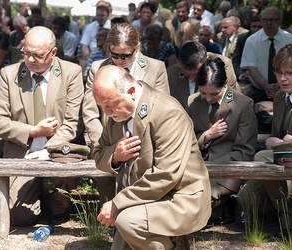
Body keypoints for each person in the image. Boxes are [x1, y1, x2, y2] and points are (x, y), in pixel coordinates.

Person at [93, 65, 211, 249]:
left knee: (128, 222)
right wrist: (115, 155)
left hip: (178, 198)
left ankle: (175, 244)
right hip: (139, 200)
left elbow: (166, 174)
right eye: (101, 107)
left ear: (131, 92)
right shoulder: (115, 115)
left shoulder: (167, 112)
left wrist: (118, 203)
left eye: (110, 104)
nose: (106, 113)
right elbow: (99, 156)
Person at [0, 26, 85, 226]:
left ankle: (56, 201)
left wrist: (49, 150)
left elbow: (74, 123)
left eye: (38, 55)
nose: (30, 59)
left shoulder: (71, 73)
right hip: (23, 150)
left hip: (60, 151)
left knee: (60, 212)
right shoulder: (9, 74)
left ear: (53, 52)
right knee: (20, 216)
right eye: (26, 52)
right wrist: (32, 131)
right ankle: (36, 195)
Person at [83, 23, 170, 205]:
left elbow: (163, 111)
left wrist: (137, 144)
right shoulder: (97, 68)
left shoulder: (156, 68)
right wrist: (107, 146)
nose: (120, 60)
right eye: (114, 55)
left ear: (137, 47)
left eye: (126, 55)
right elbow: (90, 112)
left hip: (143, 145)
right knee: (107, 204)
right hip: (107, 145)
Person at [237, 43, 292, 235]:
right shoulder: (279, 97)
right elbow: (275, 137)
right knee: (245, 200)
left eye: (290, 73)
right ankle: (285, 209)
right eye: (279, 73)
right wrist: (273, 141)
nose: (283, 78)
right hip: (284, 166)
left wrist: (285, 144)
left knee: (261, 157)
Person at [187, 58, 257, 225]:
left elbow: (245, 151)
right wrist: (206, 136)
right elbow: (186, 141)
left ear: (225, 84)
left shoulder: (243, 105)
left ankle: (216, 212)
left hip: (227, 169)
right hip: (196, 165)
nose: (208, 98)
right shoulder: (193, 102)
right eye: (203, 93)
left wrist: (213, 168)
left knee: (200, 196)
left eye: (214, 93)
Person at [241, 6, 292, 105]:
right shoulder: (252, 40)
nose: (268, 23)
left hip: (287, 90)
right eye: (265, 20)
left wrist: (279, 85)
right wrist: (266, 86)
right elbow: (251, 67)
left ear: (279, 21)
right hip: (259, 91)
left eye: (272, 20)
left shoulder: (290, 39)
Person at [167, 41, 240, 112]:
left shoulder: (223, 66)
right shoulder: (171, 73)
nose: (192, 78)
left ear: (207, 60)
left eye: (196, 74)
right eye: (187, 74)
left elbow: (228, 100)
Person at [232, 16, 263, 95]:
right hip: (245, 77)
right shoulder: (242, 38)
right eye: (254, 26)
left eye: (259, 27)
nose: (256, 29)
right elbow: (236, 60)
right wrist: (241, 75)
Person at [79, 5, 111, 73]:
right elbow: (84, 45)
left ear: (107, 15)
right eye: (98, 15)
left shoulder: (112, 26)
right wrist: (90, 56)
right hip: (92, 54)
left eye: (102, 15)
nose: (100, 17)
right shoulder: (90, 27)